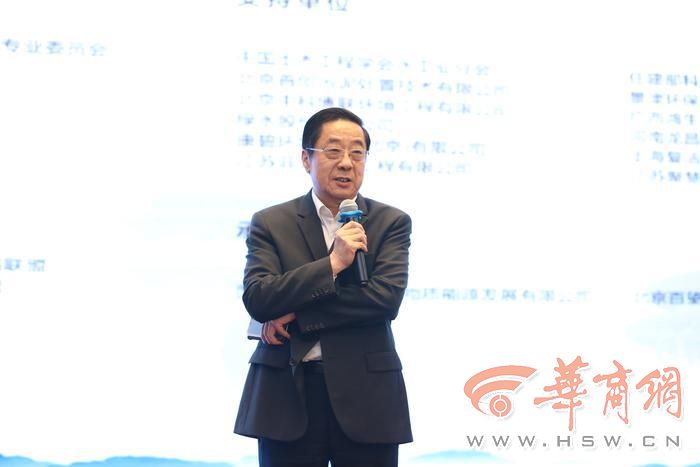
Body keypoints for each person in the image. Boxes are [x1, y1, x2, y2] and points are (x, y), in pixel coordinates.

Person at [234, 107, 412, 467]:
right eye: (333, 151)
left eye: (357, 153)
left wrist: (296, 314)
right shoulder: (271, 222)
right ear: (306, 159)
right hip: (287, 395)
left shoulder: (390, 222)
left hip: (368, 396)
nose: (346, 162)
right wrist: (332, 265)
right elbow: (260, 298)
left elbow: (383, 300)